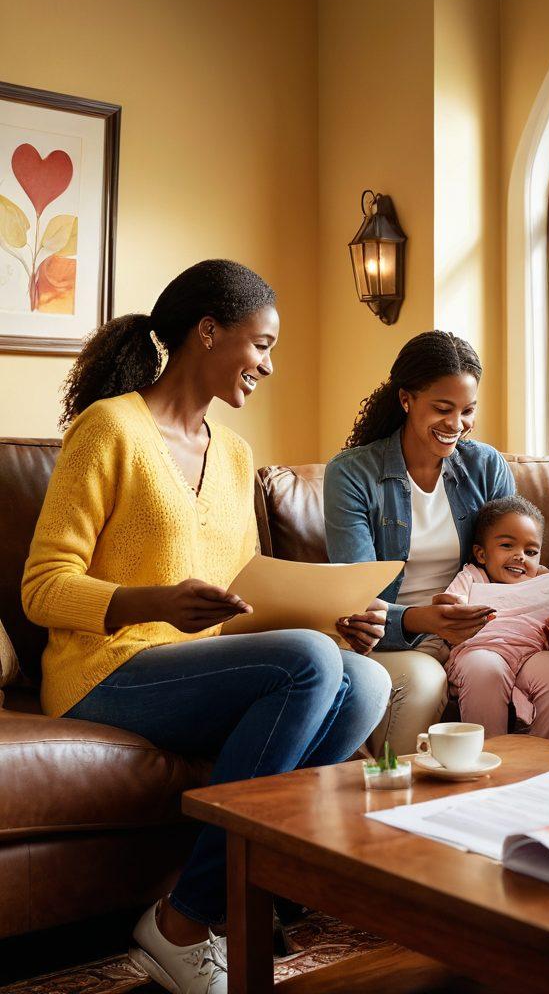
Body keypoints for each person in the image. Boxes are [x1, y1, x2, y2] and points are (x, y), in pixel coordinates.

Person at [22, 260, 391, 994]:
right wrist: (150, 603)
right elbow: (42, 587)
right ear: (208, 331)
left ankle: (208, 903)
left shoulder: (235, 455)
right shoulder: (110, 428)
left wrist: (336, 621)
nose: (269, 364)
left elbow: (247, 598)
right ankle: (189, 919)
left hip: (195, 667)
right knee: (310, 666)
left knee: (365, 680)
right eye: (261, 344)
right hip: (106, 668)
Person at [324, 331, 549, 755]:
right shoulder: (352, 475)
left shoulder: (484, 466)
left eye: (467, 411)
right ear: (406, 400)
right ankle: (400, 808)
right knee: (424, 680)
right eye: (443, 409)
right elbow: (358, 599)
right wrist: (425, 620)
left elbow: (511, 562)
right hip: (394, 634)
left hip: (484, 632)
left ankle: (531, 782)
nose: (456, 425)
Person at [443, 496, 549, 740]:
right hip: (480, 652)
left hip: (530, 656)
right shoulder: (472, 576)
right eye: (507, 546)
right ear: (481, 554)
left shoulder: (541, 583)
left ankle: (543, 756)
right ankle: (490, 754)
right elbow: (451, 606)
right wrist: (452, 606)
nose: (520, 556)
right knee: (485, 668)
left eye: (531, 551)